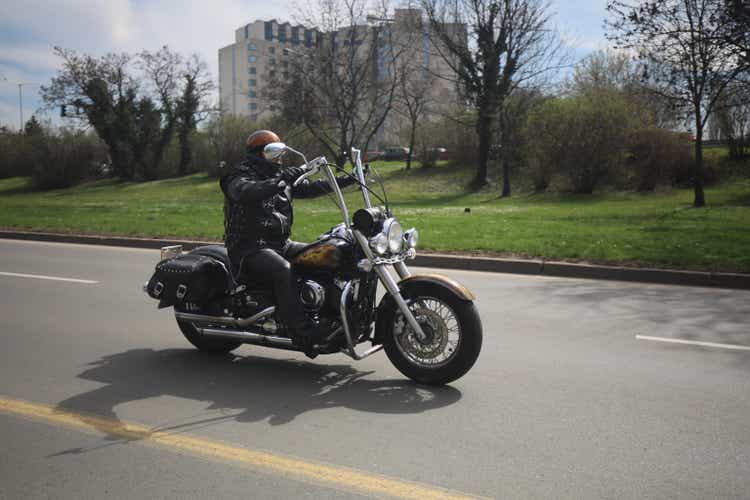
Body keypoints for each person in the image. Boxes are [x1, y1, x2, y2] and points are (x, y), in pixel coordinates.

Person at [219, 130, 356, 351]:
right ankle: (302, 331)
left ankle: (330, 314)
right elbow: (246, 192)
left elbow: (309, 188)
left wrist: (347, 179)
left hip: (280, 244)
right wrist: (280, 180)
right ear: (259, 153)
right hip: (248, 248)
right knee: (284, 269)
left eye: (281, 151)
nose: (280, 157)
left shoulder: (278, 176)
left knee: (328, 253)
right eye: (274, 151)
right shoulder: (237, 175)